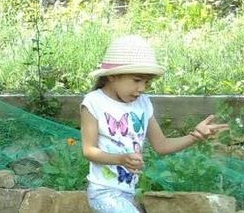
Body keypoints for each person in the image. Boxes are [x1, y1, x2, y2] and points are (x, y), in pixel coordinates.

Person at [80, 35, 229, 212]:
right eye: (136, 80)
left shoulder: (143, 103)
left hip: (128, 192)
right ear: (112, 76)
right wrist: (120, 159)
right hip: (103, 192)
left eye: (147, 82)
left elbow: (162, 145)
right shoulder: (94, 102)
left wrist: (194, 136)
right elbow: (89, 151)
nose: (142, 88)